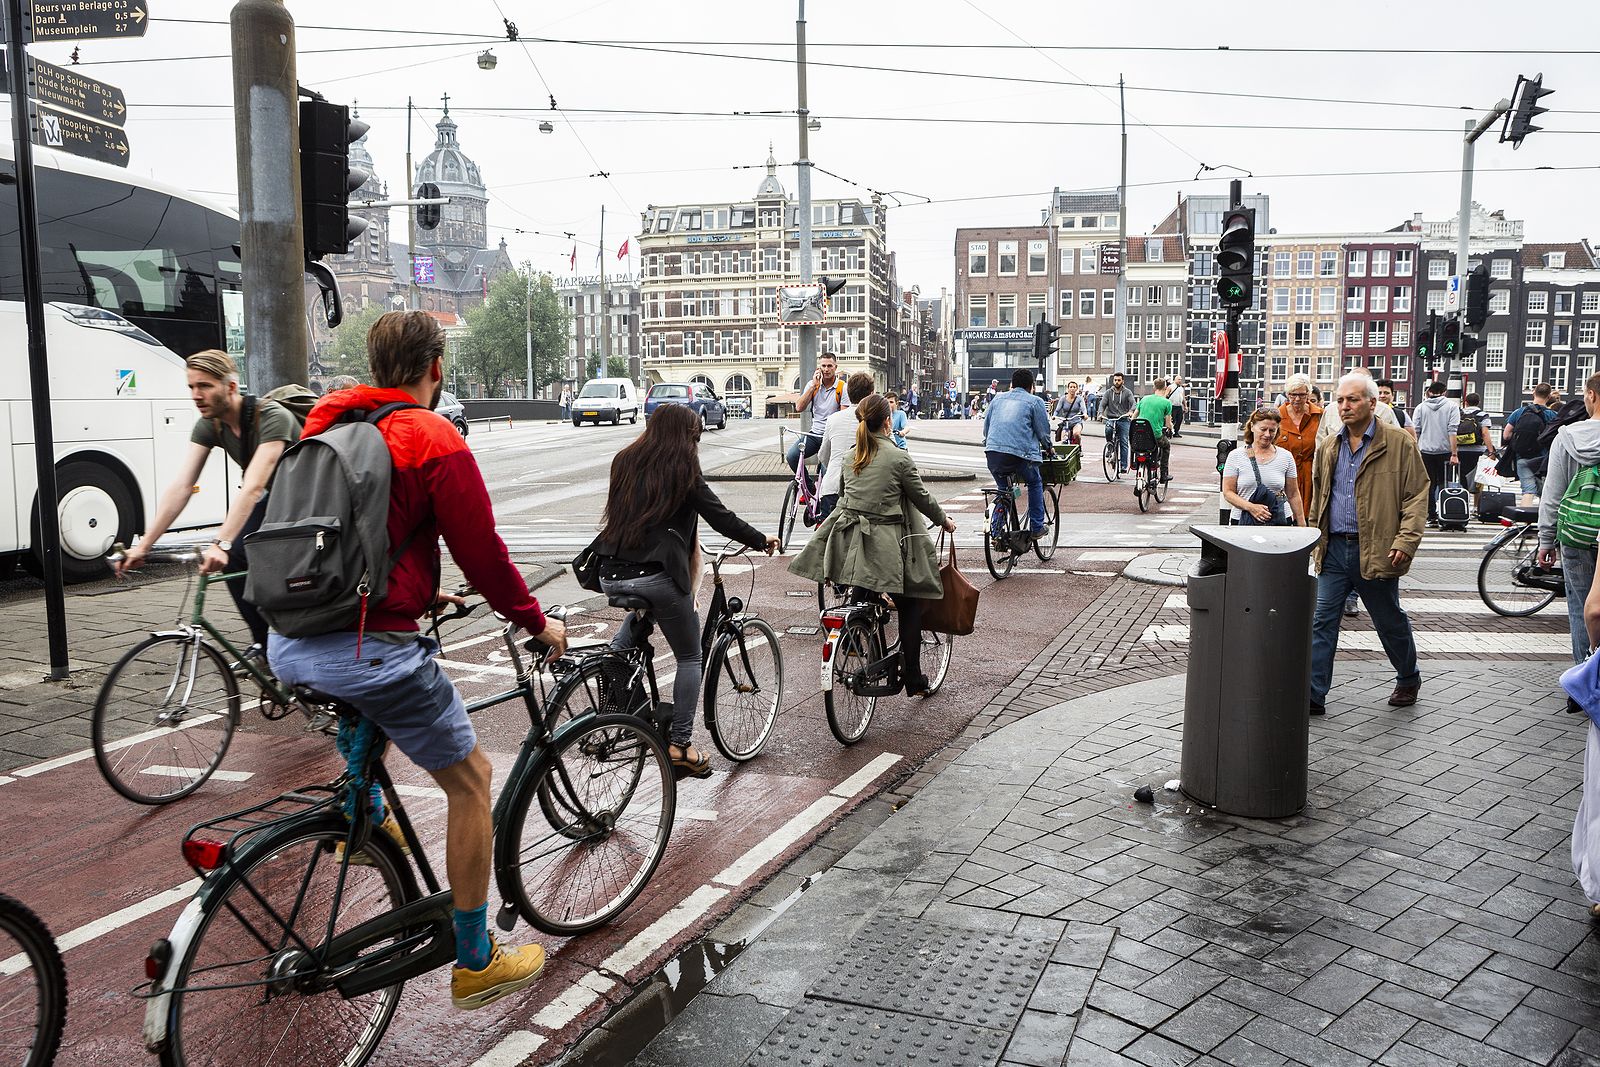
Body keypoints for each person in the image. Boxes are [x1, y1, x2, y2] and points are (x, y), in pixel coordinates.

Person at [267, 310, 566, 1010]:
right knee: (472, 779)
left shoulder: (326, 430)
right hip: (369, 646)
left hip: (289, 641)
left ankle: (358, 812)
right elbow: (484, 553)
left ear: (375, 368)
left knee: (369, 706)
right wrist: (536, 621)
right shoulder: (429, 435)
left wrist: (422, 591)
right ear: (437, 368)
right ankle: (475, 959)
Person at [592, 403, 779, 776]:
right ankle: (680, 745)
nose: (696, 445)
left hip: (610, 571)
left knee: (636, 625)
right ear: (685, 438)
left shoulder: (624, 460)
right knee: (690, 657)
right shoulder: (683, 470)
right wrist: (760, 539)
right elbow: (720, 516)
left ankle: (616, 681)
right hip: (655, 575)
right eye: (695, 438)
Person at [114, 350, 297, 652]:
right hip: (275, 498)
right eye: (191, 387)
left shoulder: (272, 417)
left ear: (231, 387)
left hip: (309, 497)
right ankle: (264, 645)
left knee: (242, 550)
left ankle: (301, 635)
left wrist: (221, 543)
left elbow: (253, 486)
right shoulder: (210, 425)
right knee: (237, 556)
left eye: (205, 386)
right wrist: (144, 546)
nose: (196, 395)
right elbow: (182, 486)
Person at [789, 394, 956, 695]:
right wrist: (944, 520)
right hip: (881, 545)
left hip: (848, 542)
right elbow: (921, 498)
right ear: (888, 421)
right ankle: (914, 679)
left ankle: (855, 639)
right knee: (909, 605)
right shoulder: (899, 458)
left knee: (860, 593)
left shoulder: (851, 455)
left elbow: (843, 494)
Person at [1306, 373, 1428, 717]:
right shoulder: (1329, 446)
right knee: (1321, 620)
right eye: (1340, 400)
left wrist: (1406, 540)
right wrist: (1316, 539)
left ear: (1373, 404)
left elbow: (1417, 495)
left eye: (1353, 399)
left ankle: (1408, 676)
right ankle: (1314, 694)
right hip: (1334, 550)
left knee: (1388, 619)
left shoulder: (1398, 443)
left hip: (1376, 548)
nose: (1345, 406)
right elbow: (1320, 497)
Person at [1538, 373, 1600, 663]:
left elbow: (1553, 493)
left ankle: (1585, 684)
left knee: (1580, 606)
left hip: (1577, 534)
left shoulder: (1567, 437)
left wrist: (1546, 540)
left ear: (1591, 395)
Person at [983, 368, 1054, 541]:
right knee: (1035, 482)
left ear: (1012, 385)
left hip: (993, 453)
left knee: (1004, 490)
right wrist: (1049, 447)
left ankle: (997, 531)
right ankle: (1037, 527)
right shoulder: (1035, 401)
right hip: (1020, 455)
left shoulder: (997, 399)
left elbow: (986, 427)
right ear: (1032, 386)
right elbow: (1043, 431)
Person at [1221, 409, 1305, 526]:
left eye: (1272, 430)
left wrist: (1301, 523)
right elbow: (1228, 493)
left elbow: (1293, 494)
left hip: (1279, 521)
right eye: (1263, 429)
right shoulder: (1236, 456)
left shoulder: (1286, 457)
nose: (1267, 434)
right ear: (1252, 427)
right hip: (1242, 521)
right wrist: (1251, 507)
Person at [818, 372, 876, 520]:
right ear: (871, 393)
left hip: (832, 488)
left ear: (848, 393)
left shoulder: (833, 419)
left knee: (831, 539)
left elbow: (823, 456)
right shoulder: (876, 419)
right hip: (864, 492)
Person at [1412, 379, 1461, 529]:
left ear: (1429, 392)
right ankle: (1444, 513)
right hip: (1445, 451)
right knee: (1444, 484)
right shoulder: (1452, 407)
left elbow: (1416, 431)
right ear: (1444, 392)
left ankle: (1431, 516)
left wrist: (1415, 451)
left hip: (1425, 451)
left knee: (1429, 484)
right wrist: (1454, 453)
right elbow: (1452, 431)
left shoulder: (1420, 408)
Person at [786, 352, 845, 471]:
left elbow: (843, 417)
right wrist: (813, 386)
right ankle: (809, 486)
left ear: (835, 367)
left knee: (825, 472)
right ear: (819, 368)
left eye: (829, 366)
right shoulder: (812, 385)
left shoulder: (843, 387)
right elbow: (799, 407)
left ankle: (821, 478)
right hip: (815, 434)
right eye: (823, 366)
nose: (826, 369)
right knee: (792, 456)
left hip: (831, 437)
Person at [1276, 373, 1324, 519]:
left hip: (1312, 473)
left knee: (1312, 513)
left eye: (1302, 395)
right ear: (1287, 394)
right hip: (1283, 475)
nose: (1297, 399)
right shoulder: (1277, 416)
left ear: (1308, 394)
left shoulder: (1320, 415)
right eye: (1292, 394)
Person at [1506, 383, 1560, 498]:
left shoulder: (1519, 412)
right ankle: (1541, 516)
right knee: (1545, 492)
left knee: (1528, 491)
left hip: (1522, 457)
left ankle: (1524, 515)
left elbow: (1506, 435)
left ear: (1533, 393)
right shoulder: (1553, 415)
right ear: (1549, 397)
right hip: (1543, 458)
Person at [1455, 391, 1496, 506]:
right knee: (1478, 479)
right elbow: (1485, 433)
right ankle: (1476, 507)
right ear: (1479, 402)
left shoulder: (1458, 413)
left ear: (1465, 402)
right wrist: (1491, 451)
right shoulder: (1482, 415)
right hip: (1477, 451)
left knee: (1462, 478)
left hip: (1460, 450)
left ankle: (1463, 506)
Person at [1133, 378, 1174, 485]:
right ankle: (1164, 474)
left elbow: (1134, 416)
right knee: (1166, 446)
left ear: (1154, 387)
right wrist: (1171, 429)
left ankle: (1136, 467)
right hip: (1155, 436)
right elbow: (1168, 423)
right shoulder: (1167, 402)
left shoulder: (1144, 399)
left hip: (1139, 434)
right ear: (1165, 387)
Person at [1101, 372, 1137, 472]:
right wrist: (1100, 413)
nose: (1117, 382)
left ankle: (1123, 466)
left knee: (1124, 441)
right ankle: (1110, 447)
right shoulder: (1108, 392)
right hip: (1111, 418)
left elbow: (1134, 403)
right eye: (1115, 380)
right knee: (1108, 429)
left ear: (1122, 381)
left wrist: (1130, 411)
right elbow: (1102, 404)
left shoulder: (1127, 392)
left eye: (1119, 380)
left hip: (1123, 419)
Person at [1054, 380, 1086, 445]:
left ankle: (1079, 448)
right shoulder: (1063, 399)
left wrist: (1085, 414)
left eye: (1074, 387)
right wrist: (1054, 416)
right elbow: (1057, 410)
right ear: (1068, 388)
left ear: (1076, 389)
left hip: (1076, 421)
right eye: (1071, 387)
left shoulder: (1079, 399)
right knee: (1064, 438)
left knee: (1076, 434)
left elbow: (1083, 408)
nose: (1072, 389)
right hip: (1066, 422)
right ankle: (1064, 453)